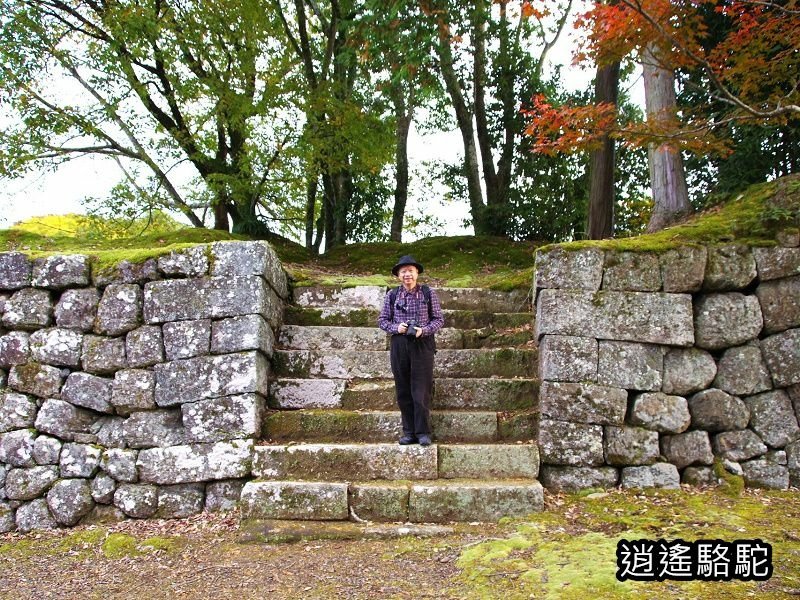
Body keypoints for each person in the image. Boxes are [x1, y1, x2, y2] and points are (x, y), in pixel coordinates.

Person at [378, 255, 444, 446]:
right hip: (399, 344)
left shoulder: (427, 293)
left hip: (422, 343)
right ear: (399, 275)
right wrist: (396, 328)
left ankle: (423, 431)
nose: (407, 274)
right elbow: (382, 320)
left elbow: (438, 319)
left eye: (411, 271)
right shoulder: (392, 295)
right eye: (403, 271)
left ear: (417, 273)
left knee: (421, 389)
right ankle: (408, 432)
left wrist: (424, 330)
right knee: (403, 389)